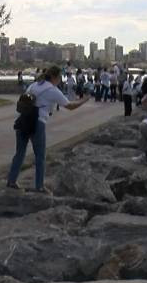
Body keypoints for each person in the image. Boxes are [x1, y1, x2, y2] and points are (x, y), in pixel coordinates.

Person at [7, 65, 89, 193]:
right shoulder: (52, 90)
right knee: (40, 156)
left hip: (22, 120)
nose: (60, 80)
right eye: (60, 78)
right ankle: (39, 186)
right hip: (37, 123)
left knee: (20, 153)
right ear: (55, 77)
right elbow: (69, 106)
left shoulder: (34, 85)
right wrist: (83, 101)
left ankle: (11, 181)